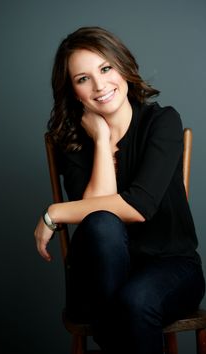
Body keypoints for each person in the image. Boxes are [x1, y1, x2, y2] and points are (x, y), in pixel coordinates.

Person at [34, 26, 205, 354]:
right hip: (99, 277)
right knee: (101, 223)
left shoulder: (162, 122)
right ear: (73, 91)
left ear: (123, 66)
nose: (99, 86)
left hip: (171, 269)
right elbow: (100, 218)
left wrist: (54, 213)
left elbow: (140, 206)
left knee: (135, 301)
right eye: (83, 79)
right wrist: (101, 140)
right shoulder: (72, 142)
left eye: (105, 68)